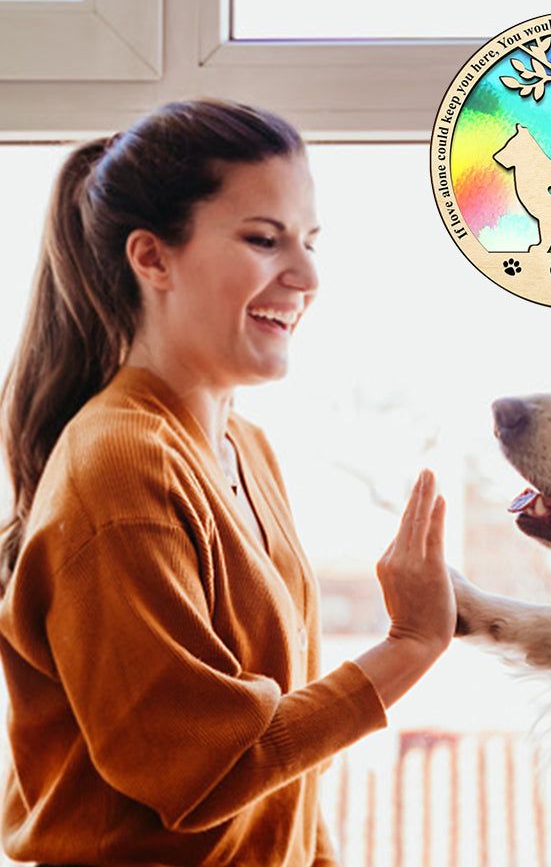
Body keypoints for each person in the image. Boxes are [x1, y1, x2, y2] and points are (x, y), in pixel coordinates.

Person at [0, 99, 458, 866]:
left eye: (309, 242)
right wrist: (409, 647)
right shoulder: (119, 472)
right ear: (152, 259)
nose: (306, 275)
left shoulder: (243, 446)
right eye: (263, 239)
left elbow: (280, 782)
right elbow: (203, 774)